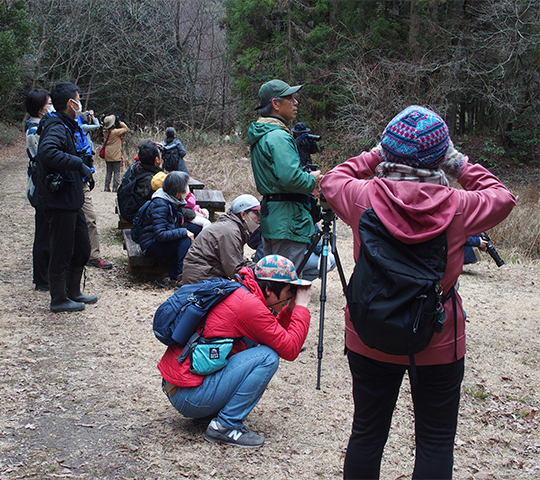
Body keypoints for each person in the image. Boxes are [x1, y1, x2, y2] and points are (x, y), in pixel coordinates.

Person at [320, 105, 516, 479]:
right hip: (438, 336)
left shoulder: (362, 196)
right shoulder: (460, 206)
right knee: (436, 440)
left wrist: (375, 154)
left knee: (366, 433)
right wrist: (458, 164)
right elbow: (503, 196)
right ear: (441, 156)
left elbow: (331, 179)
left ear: (388, 149)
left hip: (369, 333)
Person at [159, 254, 312, 447]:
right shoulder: (249, 306)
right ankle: (226, 426)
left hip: (179, 389)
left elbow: (275, 334)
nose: (291, 296)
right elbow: (289, 350)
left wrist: (289, 308)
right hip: (189, 397)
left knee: (258, 347)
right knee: (267, 357)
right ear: (269, 290)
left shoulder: (244, 291)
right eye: (289, 291)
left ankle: (216, 412)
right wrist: (301, 308)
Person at [248, 79, 322, 279]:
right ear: (276, 103)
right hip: (288, 220)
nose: (296, 102)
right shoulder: (278, 136)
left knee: (272, 280)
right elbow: (291, 179)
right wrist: (312, 179)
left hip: (274, 215)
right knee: (283, 283)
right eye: (290, 98)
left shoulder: (263, 133)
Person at [35, 82, 98, 313]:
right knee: (61, 249)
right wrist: (78, 164)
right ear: (70, 103)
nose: (80, 102)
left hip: (71, 198)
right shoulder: (56, 127)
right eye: (78, 98)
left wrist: (83, 169)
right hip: (58, 200)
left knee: (82, 247)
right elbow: (48, 152)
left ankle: (73, 291)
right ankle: (59, 299)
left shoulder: (67, 125)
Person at [181, 194, 261, 284]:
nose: (259, 218)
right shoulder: (230, 231)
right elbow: (235, 269)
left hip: (205, 275)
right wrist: (260, 272)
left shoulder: (231, 226)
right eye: (256, 213)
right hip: (201, 280)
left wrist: (259, 267)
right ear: (243, 215)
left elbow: (236, 257)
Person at [134, 171, 194, 285]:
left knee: (194, 229)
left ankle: (173, 272)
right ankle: (179, 276)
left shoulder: (173, 199)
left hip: (161, 241)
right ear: (177, 189)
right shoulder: (160, 204)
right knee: (185, 239)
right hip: (151, 244)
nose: (187, 189)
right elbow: (160, 234)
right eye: (186, 186)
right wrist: (183, 232)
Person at [73, 109, 113, 270]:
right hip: (72, 179)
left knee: (89, 219)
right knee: (83, 219)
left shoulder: (78, 127)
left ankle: (91, 255)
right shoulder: (72, 127)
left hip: (82, 179)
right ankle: (85, 255)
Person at [24, 88, 53, 291]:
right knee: (43, 233)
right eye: (48, 103)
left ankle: (46, 275)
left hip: (41, 186)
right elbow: (43, 158)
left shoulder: (41, 127)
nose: (51, 106)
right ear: (40, 108)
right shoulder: (35, 131)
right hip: (40, 188)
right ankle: (41, 279)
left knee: (47, 232)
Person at [117, 140, 164, 223]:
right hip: (136, 215)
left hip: (130, 207)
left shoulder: (137, 166)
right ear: (157, 160)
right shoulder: (151, 180)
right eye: (160, 154)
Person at [101, 114, 129, 192]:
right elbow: (126, 128)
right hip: (116, 154)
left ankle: (106, 187)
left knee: (108, 171)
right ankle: (115, 188)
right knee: (117, 171)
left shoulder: (105, 131)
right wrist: (119, 122)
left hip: (107, 153)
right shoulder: (116, 132)